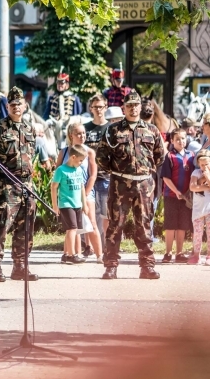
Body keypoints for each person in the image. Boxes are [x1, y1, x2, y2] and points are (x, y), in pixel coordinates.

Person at [96, 91, 166, 280]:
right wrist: (116, 171)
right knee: (115, 226)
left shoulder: (151, 130)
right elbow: (101, 156)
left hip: (144, 185)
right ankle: (111, 267)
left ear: (140, 107)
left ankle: (147, 267)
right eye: (129, 105)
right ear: (124, 108)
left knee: (144, 225)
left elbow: (160, 156)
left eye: (136, 105)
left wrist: (145, 171)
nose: (133, 108)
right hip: (120, 184)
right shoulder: (113, 130)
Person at [0, 87, 39, 282]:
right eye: (13, 104)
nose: (16, 107)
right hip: (6, 185)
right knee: (0, 225)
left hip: (27, 185)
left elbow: (32, 154)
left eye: (19, 104)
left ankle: (20, 266)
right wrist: (0, 181)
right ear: (7, 106)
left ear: (25, 106)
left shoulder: (29, 128)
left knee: (26, 226)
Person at [55, 121, 103, 263]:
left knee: (91, 223)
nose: (82, 136)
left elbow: (93, 175)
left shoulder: (89, 152)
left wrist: (85, 195)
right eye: (78, 134)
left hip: (85, 192)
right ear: (71, 135)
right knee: (73, 226)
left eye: (83, 133)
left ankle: (99, 255)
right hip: (68, 195)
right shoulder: (64, 152)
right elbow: (57, 173)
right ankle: (72, 254)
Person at [160, 129, 195, 263]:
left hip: (186, 197)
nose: (181, 141)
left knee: (182, 225)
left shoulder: (191, 155)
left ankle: (179, 253)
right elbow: (166, 177)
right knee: (170, 225)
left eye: (183, 138)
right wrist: (176, 191)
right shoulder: (169, 156)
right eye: (178, 139)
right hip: (171, 196)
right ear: (172, 141)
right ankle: (168, 253)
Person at [51, 145, 89, 264]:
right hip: (66, 204)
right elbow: (54, 187)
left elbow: (82, 187)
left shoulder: (79, 170)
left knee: (72, 230)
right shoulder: (61, 170)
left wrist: (84, 204)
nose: (81, 163)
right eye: (80, 160)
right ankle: (72, 255)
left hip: (77, 204)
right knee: (72, 228)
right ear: (73, 157)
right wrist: (55, 205)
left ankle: (66, 254)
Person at [83, 94, 110, 254]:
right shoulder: (85, 129)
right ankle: (88, 246)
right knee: (88, 213)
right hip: (87, 178)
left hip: (106, 176)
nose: (98, 110)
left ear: (106, 107)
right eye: (95, 107)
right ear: (91, 108)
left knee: (106, 215)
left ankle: (106, 245)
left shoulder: (112, 128)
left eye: (101, 107)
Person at [188, 150, 210, 264]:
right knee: (197, 233)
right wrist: (206, 186)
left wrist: (207, 176)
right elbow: (192, 187)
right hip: (198, 209)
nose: (204, 167)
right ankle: (196, 255)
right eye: (202, 165)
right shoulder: (195, 173)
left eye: (207, 164)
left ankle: (209, 256)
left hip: (209, 208)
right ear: (198, 164)